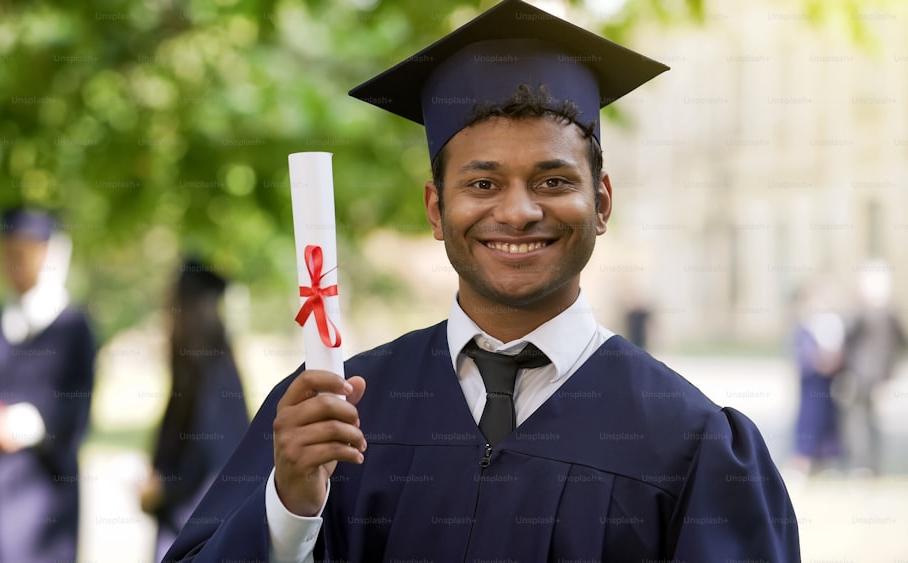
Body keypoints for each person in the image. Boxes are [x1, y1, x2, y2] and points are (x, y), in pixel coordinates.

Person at [165, 1, 800, 561]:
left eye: (554, 181)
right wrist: (289, 511)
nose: (519, 211)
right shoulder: (333, 417)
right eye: (482, 184)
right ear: (437, 211)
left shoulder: (690, 445)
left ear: (602, 202)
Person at [0, 208, 96, 563]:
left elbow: (76, 408)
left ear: (48, 254)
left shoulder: (74, 328)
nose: (12, 262)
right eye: (5, 252)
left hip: (43, 494)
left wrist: (24, 424)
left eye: (22, 252)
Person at [140, 259, 250, 562]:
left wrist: (164, 489)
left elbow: (214, 462)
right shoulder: (197, 369)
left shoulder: (214, 373)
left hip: (196, 536)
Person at [838, 263, 905, 477]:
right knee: (872, 418)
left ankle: (862, 464)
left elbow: (845, 340)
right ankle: (874, 463)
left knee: (857, 420)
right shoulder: (890, 313)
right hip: (880, 376)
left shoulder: (861, 313)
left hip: (859, 374)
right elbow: (902, 342)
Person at [789, 283, 844, 476]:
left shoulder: (829, 324)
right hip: (811, 388)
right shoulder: (804, 329)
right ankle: (800, 465)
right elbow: (804, 358)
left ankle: (825, 466)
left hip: (826, 388)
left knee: (827, 427)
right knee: (808, 425)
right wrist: (822, 362)